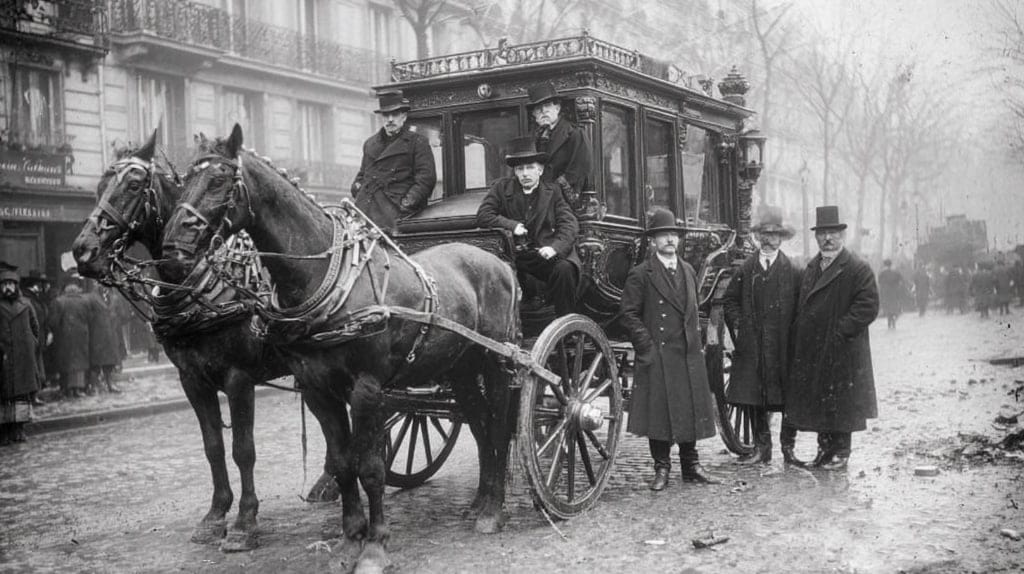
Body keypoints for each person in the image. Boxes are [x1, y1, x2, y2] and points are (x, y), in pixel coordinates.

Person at [619, 207, 719, 490]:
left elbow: (693, 309)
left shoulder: (687, 269)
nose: (669, 240)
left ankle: (691, 465)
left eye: (673, 234)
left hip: (686, 353)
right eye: (663, 235)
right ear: (653, 241)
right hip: (658, 353)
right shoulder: (642, 273)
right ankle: (661, 468)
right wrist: (646, 345)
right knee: (658, 413)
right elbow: (628, 314)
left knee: (688, 408)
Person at [787, 206, 879, 471]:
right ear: (817, 238)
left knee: (843, 404)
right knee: (821, 403)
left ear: (842, 236)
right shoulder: (812, 267)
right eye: (823, 234)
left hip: (843, 350)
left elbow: (868, 306)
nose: (827, 239)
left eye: (833, 234)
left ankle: (841, 453)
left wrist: (841, 332)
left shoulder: (857, 268)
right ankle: (824, 450)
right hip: (816, 348)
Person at [722, 208, 803, 466]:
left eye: (774, 235)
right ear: (757, 238)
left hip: (782, 346)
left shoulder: (793, 270)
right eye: (764, 235)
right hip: (754, 345)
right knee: (754, 398)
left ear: (781, 239)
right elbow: (730, 300)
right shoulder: (747, 268)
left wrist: (794, 334)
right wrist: (740, 325)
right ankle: (761, 448)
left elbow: (802, 306)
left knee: (788, 398)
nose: (769, 240)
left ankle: (788, 449)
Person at [477, 136, 580, 316]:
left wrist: (554, 248)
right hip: (513, 255)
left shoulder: (553, 191)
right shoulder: (501, 188)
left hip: (543, 255)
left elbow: (569, 224)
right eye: (520, 168)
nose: (525, 173)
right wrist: (512, 225)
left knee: (564, 269)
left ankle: (565, 323)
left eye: (530, 167)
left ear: (539, 170)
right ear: (515, 172)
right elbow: (484, 215)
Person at [352, 90, 437, 233]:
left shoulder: (417, 142)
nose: (390, 119)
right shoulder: (370, 144)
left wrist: (405, 205)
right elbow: (362, 175)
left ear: (403, 117)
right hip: (366, 212)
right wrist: (357, 189)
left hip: (397, 214)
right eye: (386, 115)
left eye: (395, 114)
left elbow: (426, 180)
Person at [527, 81, 592, 206]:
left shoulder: (574, 134)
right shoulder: (533, 139)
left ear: (557, 108)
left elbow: (577, 171)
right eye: (538, 108)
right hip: (537, 202)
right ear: (534, 114)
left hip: (562, 203)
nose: (543, 111)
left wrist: (549, 194)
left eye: (547, 106)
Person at [0, 264, 44, 445]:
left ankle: (19, 429)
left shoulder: (26, 304)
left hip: (22, 358)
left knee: (20, 396)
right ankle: (4, 431)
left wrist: (30, 345)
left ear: (16, 286)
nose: (8, 287)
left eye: (11, 284)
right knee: (4, 395)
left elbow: (35, 327)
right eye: (5, 284)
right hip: (3, 357)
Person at [47, 276, 92, 399]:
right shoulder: (84, 301)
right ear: (77, 288)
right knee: (79, 363)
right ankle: (78, 389)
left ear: (65, 288)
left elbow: (53, 322)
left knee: (66, 363)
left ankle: (66, 389)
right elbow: (90, 318)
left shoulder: (59, 301)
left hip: (64, 337)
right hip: (81, 336)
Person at [85, 282, 124, 394]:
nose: (103, 286)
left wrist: (114, 319)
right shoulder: (90, 298)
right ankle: (93, 386)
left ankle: (110, 384)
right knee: (96, 363)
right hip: (96, 335)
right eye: (100, 283)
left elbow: (120, 314)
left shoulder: (114, 298)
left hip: (111, 335)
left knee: (110, 363)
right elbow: (87, 317)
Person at [20, 270, 51, 404]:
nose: (40, 287)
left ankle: (35, 394)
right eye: (38, 284)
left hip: (38, 337)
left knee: (37, 366)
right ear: (33, 285)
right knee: (33, 367)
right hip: (33, 338)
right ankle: (32, 396)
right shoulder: (28, 299)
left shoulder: (35, 298)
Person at [877, 259, 905, 329]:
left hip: (886, 293)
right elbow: (901, 279)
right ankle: (893, 320)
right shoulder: (895, 272)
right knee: (894, 306)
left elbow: (879, 282)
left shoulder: (882, 272)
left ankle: (890, 321)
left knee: (888, 307)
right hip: (894, 292)